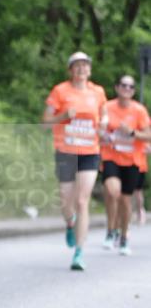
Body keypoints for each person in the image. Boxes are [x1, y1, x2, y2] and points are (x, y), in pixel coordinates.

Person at [42, 51, 108, 271]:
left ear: (90, 69)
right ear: (70, 70)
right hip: (65, 151)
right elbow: (44, 123)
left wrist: (104, 124)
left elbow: (104, 114)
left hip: (89, 150)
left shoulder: (97, 92)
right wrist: (63, 116)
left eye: (85, 65)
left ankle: (79, 252)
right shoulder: (60, 91)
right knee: (66, 200)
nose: (81, 69)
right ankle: (70, 223)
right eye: (77, 66)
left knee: (82, 201)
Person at [100, 75, 151, 255]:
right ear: (117, 88)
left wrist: (131, 133)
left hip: (132, 159)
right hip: (111, 156)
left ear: (133, 91)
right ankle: (110, 230)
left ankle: (124, 235)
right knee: (112, 191)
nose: (127, 89)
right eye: (124, 85)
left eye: (131, 87)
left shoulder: (139, 110)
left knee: (125, 199)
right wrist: (103, 134)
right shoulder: (106, 107)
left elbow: (148, 135)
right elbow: (98, 129)